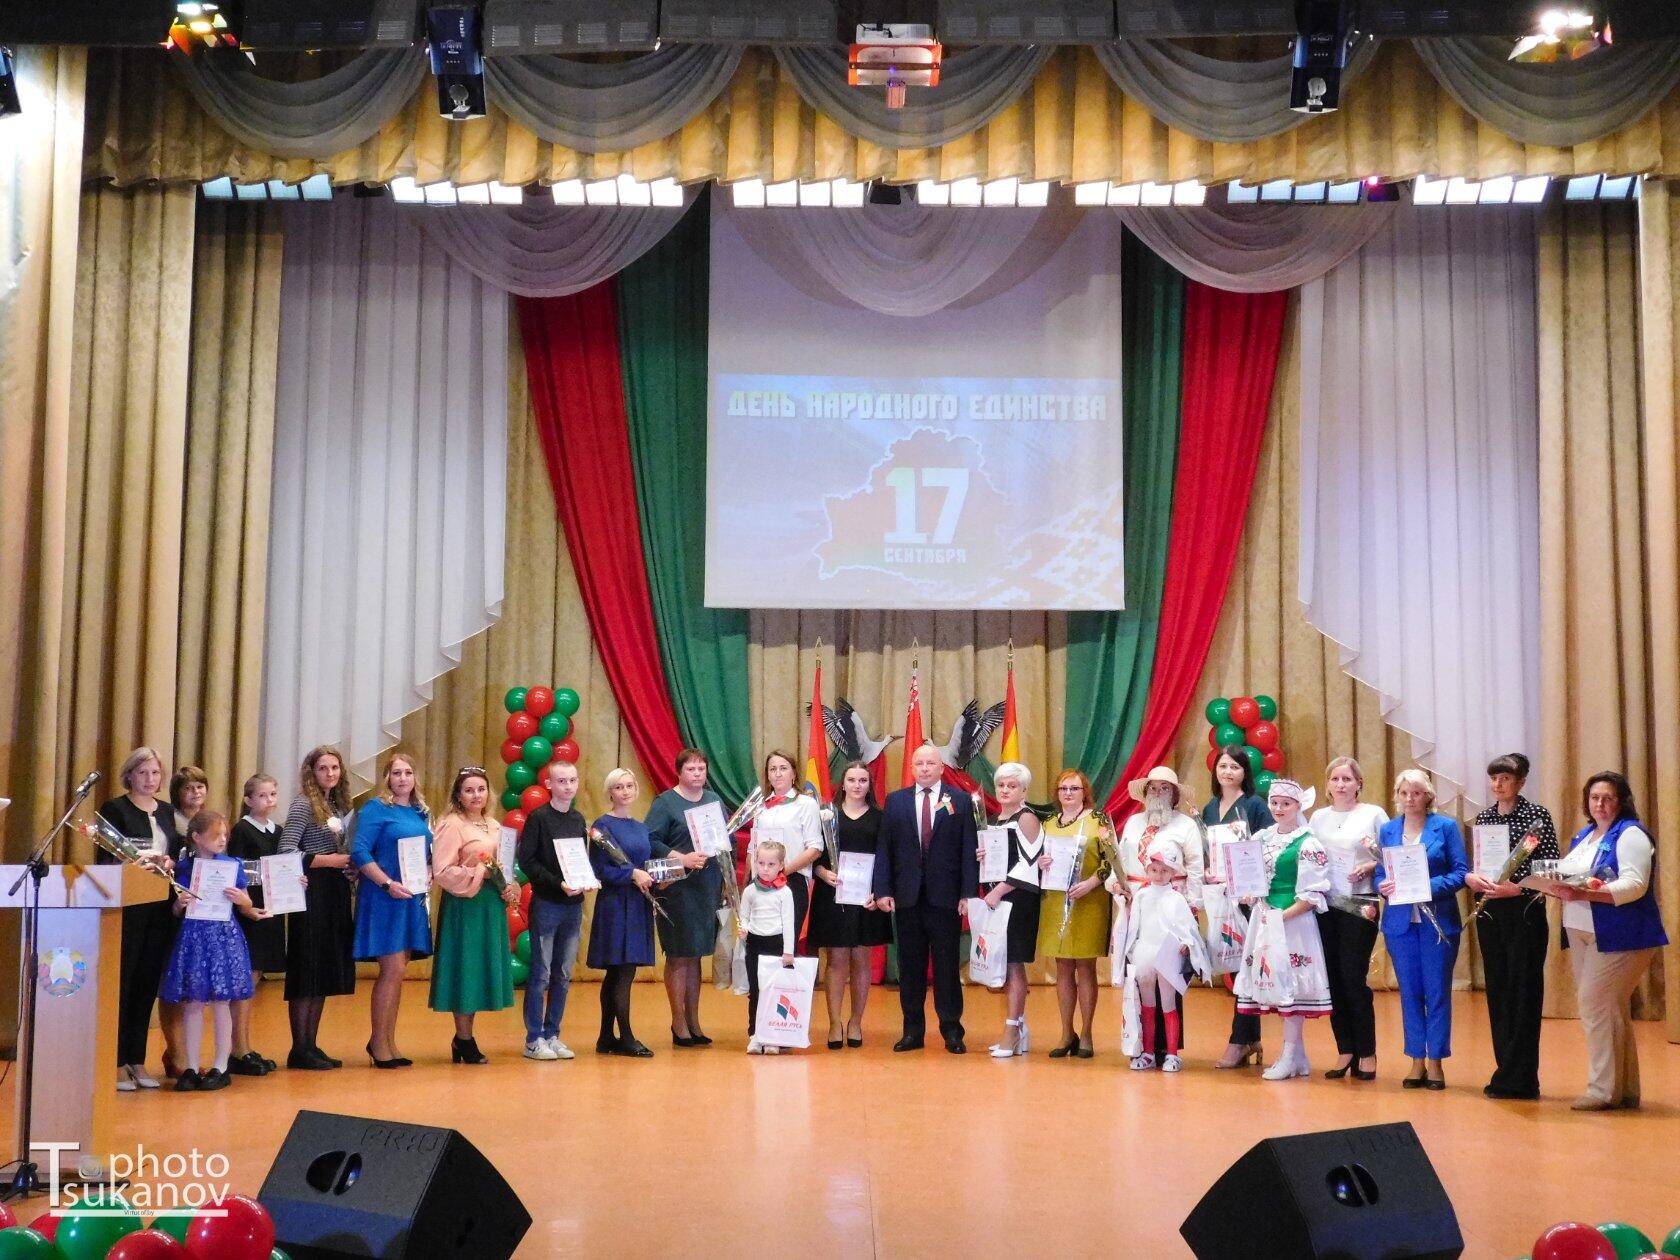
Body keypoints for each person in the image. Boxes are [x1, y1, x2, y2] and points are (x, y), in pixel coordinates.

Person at [1549, 772, 1668, 1111]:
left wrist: (1584, 894)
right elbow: (1572, 878)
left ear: (1622, 801)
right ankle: (1625, 1090)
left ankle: (1602, 1090)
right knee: (1610, 1008)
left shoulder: (1630, 834)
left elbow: (1634, 885)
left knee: (1594, 1004)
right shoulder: (1585, 835)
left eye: (1608, 798)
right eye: (1594, 798)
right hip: (1583, 932)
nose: (1599, 804)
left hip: (1622, 935)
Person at [874, 742, 980, 1054]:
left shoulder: (959, 800)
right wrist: (883, 890)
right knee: (910, 969)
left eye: (930, 763)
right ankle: (912, 1032)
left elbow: (968, 850)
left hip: (946, 899)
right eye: (919, 763)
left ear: (941, 768)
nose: (924, 768)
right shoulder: (895, 802)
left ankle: (952, 1031)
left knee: (947, 968)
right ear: (912, 768)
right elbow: (885, 850)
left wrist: (968, 893)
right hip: (907, 898)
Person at [1466, 753, 1559, 1100]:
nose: (1498, 784)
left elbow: (1550, 868)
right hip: (1492, 915)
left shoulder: (1537, 816)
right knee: (1499, 992)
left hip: (1524, 912)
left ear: (1520, 782)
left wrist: (1518, 888)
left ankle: (1522, 1078)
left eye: (1505, 778)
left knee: (1524, 993)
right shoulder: (1484, 818)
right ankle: (1505, 1070)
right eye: (1494, 778)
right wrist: (1474, 878)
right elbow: (1480, 864)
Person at [1233, 779, 1332, 1081]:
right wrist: (1250, 894)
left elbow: (1312, 895)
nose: (1278, 808)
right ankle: (1297, 1056)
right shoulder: (1262, 837)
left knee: (1291, 987)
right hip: (1265, 919)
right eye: (1274, 803)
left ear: (1298, 806)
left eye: (1285, 803)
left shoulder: (1308, 843)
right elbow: (1253, 877)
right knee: (1274, 983)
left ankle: (1289, 1054)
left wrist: (1282, 917)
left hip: (1292, 922)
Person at [1375, 769, 1468, 1091]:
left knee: (1437, 992)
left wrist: (1425, 886)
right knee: (1410, 993)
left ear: (1428, 796)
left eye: (1416, 793)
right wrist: (1383, 885)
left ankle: (1436, 1061)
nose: (1409, 799)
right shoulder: (1388, 829)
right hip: (1400, 924)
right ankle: (1416, 1059)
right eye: (1404, 793)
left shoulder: (1445, 827)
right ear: (1397, 796)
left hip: (1437, 922)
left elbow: (1460, 872)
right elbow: (1380, 872)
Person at [98, 747, 183, 1091]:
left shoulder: (167, 811)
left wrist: (169, 862)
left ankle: (136, 1059)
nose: (150, 779)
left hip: (160, 905)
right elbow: (105, 858)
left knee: (147, 983)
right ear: (130, 775)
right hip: (127, 906)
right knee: (125, 981)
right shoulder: (115, 809)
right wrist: (134, 865)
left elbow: (175, 852)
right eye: (143, 772)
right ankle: (115, 1060)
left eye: (155, 773)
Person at [159, 811, 262, 1092]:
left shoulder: (232, 865)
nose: (223, 840)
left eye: (225, 834)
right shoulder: (185, 867)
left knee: (220, 1002)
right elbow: (176, 910)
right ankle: (191, 1067)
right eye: (216, 835)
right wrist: (179, 904)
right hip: (194, 936)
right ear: (196, 837)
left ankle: (221, 1065)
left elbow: (246, 902)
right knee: (193, 1002)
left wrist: (242, 899)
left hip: (223, 936)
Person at [1112, 766, 1204, 1062]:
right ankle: (1142, 1046)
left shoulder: (1185, 825)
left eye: (1165, 788)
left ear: (1174, 794)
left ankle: (1169, 1048)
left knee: (1169, 976)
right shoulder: (1133, 822)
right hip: (1137, 905)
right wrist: (1116, 885)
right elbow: (1121, 860)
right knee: (1139, 976)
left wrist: (1191, 907)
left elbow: (1195, 867)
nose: (1158, 793)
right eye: (1153, 788)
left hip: (1171, 906)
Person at [428, 767, 518, 1064]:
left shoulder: (494, 825)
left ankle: (464, 1037)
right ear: (458, 794)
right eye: (469, 790)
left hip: (490, 905)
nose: (476, 795)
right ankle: (464, 1038)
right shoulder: (452, 824)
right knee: (465, 968)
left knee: (479, 970)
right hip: (465, 905)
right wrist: (479, 871)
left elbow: (505, 865)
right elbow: (442, 870)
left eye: (481, 789)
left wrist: (509, 884)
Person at [351, 750, 433, 1068]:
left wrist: (429, 871)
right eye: (396, 773)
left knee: (400, 972)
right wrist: (386, 883)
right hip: (384, 897)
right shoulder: (376, 808)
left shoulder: (419, 811)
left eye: (408, 773)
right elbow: (360, 851)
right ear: (387, 778)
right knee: (392, 969)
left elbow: (427, 852)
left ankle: (388, 1042)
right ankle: (377, 1042)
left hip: (410, 898)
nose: (402, 778)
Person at [1309, 756, 1389, 1082]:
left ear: (1359, 784)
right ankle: (1345, 1048)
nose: (1341, 784)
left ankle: (1366, 1051)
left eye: (1347, 779)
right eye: (1335, 779)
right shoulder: (1318, 817)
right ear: (1327, 785)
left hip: (1360, 904)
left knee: (1353, 978)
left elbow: (1393, 855)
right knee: (1333, 979)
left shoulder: (1373, 815)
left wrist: (1370, 866)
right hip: (1326, 906)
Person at [279, 746, 356, 1070]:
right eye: (323, 768)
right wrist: (329, 861)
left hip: (334, 892)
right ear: (311, 772)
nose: (330, 773)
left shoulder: (336, 806)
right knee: (307, 969)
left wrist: (348, 867)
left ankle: (311, 1044)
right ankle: (299, 1048)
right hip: (310, 893)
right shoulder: (303, 805)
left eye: (335, 768)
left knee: (322, 970)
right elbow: (286, 849)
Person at [642, 749, 722, 1047]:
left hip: (706, 885)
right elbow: (650, 840)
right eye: (691, 769)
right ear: (679, 772)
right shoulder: (665, 802)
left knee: (696, 953)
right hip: (676, 886)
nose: (697, 773)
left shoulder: (714, 800)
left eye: (701, 768)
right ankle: (678, 1023)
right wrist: (682, 858)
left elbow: (723, 839)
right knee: (679, 954)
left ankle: (694, 1021)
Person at [808, 761, 891, 1049]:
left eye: (863, 780)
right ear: (842, 784)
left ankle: (855, 1021)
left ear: (870, 785)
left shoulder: (881, 818)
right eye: (852, 780)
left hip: (867, 899)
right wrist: (822, 873)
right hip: (833, 896)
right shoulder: (826, 816)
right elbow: (814, 855)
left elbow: (886, 858)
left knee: (861, 959)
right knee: (836, 960)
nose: (857, 785)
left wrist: (878, 892)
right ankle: (834, 1023)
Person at [1203, 744, 1274, 1069]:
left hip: (1247, 899)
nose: (1228, 772)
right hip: (1221, 899)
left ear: (1245, 772)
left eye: (1235, 766)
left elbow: (1267, 848)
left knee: (1246, 967)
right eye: (1223, 766)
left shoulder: (1255, 805)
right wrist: (1208, 871)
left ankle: (1238, 1040)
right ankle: (1251, 1038)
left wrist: (1250, 884)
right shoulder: (1209, 808)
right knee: (1233, 966)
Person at [1036, 769, 1112, 1060]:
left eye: (1074, 788)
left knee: (1086, 966)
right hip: (1056, 902)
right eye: (1063, 788)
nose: (1068, 793)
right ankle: (1066, 1032)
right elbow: (1036, 859)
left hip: (1090, 900)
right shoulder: (1048, 823)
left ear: (1085, 792)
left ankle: (1087, 1033)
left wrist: (1092, 882)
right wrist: (1041, 862)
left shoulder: (1099, 821)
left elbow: (1111, 859)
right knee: (1063, 967)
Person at [515, 759, 587, 1061]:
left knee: (563, 973)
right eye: (561, 781)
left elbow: (581, 859)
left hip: (573, 906)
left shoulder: (578, 819)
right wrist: (558, 883)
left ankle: (552, 1033)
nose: (567, 786)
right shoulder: (538, 818)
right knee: (541, 973)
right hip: (547, 904)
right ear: (549, 784)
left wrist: (585, 880)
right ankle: (533, 1039)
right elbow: (528, 861)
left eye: (572, 780)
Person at [1121, 838, 1210, 1073]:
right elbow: (1134, 928)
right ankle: (1148, 1052)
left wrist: (1186, 944)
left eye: (1164, 871)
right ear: (1147, 870)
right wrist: (1129, 952)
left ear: (1172, 872)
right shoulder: (1141, 896)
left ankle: (1172, 1054)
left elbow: (1187, 928)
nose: (1159, 875)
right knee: (1148, 1005)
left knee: (1169, 1005)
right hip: (1144, 954)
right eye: (1154, 870)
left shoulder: (1176, 898)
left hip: (1167, 957)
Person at [589, 768, 658, 1058]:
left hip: (637, 902)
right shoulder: (601, 826)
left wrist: (658, 875)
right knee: (621, 970)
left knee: (619, 972)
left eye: (629, 786)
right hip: (615, 904)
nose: (625, 791)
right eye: (619, 787)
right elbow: (600, 869)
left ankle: (606, 1036)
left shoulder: (640, 827)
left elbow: (645, 863)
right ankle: (626, 1037)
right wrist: (631, 874)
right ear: (610, 792)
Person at [978, 762, 1042, 1060]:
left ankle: (1012, 1031)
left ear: (1024, 791)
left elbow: (1029, 862)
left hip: (1017, 899)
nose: (1005, 790)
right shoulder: (993, 820)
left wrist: (999, 890)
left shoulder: (1026, 818)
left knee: (1014, 964)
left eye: (1012, 786)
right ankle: (1021, 1028)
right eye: (1001, 785)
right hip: (996, 900)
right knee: (1003, 965)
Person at [227, 773, 286, 1077]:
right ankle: (237, 1048)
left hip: (270, 910)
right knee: (245, 978)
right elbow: (236, 872)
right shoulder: (242, 829)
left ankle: (245, 1046)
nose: (268, 800)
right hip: (250, 911)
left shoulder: (278, 831)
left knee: (256, 976)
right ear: (248, 800)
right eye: (262, 795)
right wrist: (246, 907)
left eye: (272, 794)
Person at [750, 751, 824, 938]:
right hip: (760, 882)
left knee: (784, 945)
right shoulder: (761, 808)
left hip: (791, 881)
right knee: (760, 943)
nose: (778, 774)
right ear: (767, 775)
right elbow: (753, 848)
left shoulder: (806, 804)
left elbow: (815, 849)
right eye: (772, 769)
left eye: (783, 768)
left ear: (793, 773)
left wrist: (782, 872)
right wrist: (747, 884)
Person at [740, 840, 798, 1055]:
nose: (765, 869)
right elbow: (744, 915)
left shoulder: (784, 893)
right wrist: (744, 928)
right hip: (755, 944)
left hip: (776, 945)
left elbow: (789, 923)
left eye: (771, 864)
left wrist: (788, 951)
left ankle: (773, 1037)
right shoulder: (750, 891)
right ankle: (755, 1035)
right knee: (756, 991)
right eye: (761, 863)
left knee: (774, 991)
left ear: (781, 865)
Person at [169, 765, 209, 845]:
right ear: (177, 792)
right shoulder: (169, 819)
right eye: (188, 788)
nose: (196, 791)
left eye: (200, 787)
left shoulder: (210, 820)